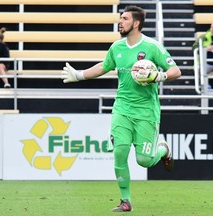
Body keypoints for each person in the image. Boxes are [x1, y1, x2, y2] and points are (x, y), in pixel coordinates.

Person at [59, 6, 181, 212]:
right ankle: (125, 201)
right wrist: (79, 75)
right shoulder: (116, 47)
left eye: (124, 18)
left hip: (146, 111)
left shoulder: (152, 47)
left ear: (136, 23)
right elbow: (103, 66)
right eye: (120, 18)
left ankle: (163, 149)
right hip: (122, 108)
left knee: (144, 160)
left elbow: (175, 70)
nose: (120, 21)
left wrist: (159, 76)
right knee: (120, 152)